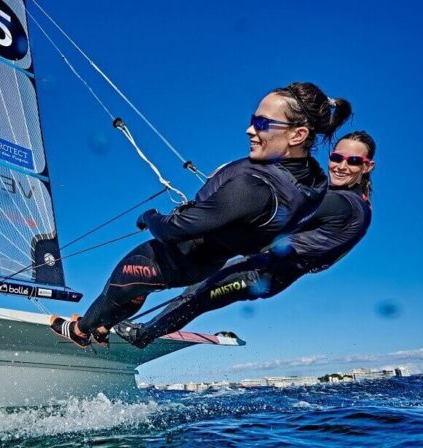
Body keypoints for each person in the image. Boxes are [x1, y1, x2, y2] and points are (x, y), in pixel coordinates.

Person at [50, 82, 352, 347]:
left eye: (262, 123)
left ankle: (81, 330)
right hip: (204, 264)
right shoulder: (315, 183)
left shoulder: (254, 189)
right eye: (252, 120)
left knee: (120, 286)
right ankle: (103, 327)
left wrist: (149, 215)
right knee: (137, 289)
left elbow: (173, 230)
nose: (249, 130)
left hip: (172, 254)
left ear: (298, 135)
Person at [115, 131, 376, 348]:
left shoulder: (342, 203)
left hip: (263, 274)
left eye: (353, 161)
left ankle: (141, 335)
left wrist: (229, 189)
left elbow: (274, 207)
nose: (341, 166)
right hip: (264, 267)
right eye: (336, 157)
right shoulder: (356, 204)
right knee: (195, 286)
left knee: (197, 295)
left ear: (367, 166)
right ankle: (133, 322)